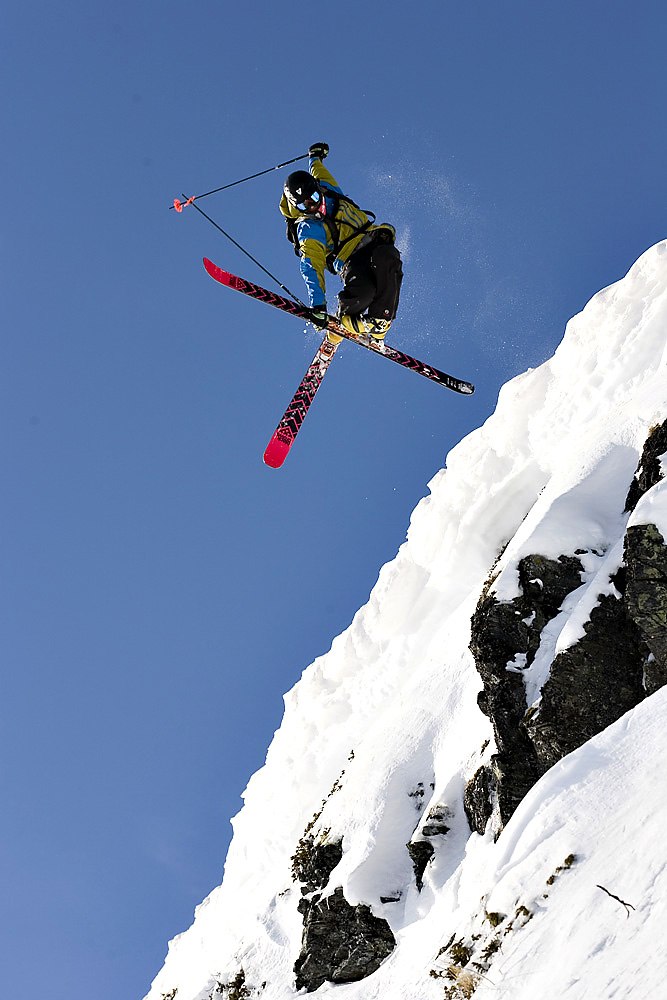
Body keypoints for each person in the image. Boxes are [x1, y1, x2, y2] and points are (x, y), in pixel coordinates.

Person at [280, 142, 403, 348]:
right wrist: (318, 304)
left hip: (373, 242)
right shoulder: (309, 228)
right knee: (364, 293)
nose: (312, 206)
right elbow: (312, 264)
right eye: (304, 205)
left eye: (314, 198)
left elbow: (317, 168)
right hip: (351, 260)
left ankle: (379, 322)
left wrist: (315, 156)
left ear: (319, 188)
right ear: (297, 207)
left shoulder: (328, 187)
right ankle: (344, 322)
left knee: (388, 258)